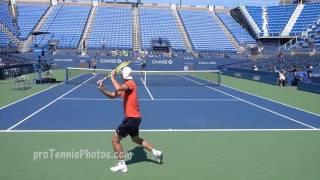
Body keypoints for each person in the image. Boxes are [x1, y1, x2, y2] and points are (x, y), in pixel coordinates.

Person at [97, 67, 163, 173]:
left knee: (115, 140)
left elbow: (118, 88)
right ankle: (155, 152)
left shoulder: (130, 83)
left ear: (123, 76)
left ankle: (122, 164)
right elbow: (112, 95)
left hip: (131, 118)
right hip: (135, 118)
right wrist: (102, 88)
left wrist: (112, 77)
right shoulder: (125, 88)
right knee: (136, 139)